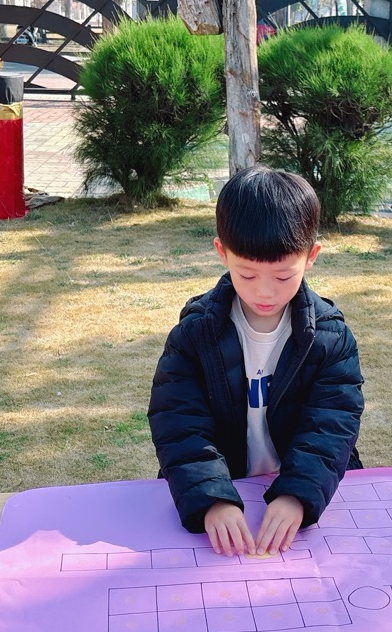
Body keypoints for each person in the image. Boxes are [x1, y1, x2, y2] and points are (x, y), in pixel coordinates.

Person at [148, 164, 364, 558]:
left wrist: (298, 494)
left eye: (282, 277)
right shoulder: (195, 335)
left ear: (311, 256)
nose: (265, 292)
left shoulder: (330, 338)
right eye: (247, 275)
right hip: (224, 488)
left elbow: (332, 425)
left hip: (299, 491)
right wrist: (211, 497)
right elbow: (179, 423)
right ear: (222, 253)